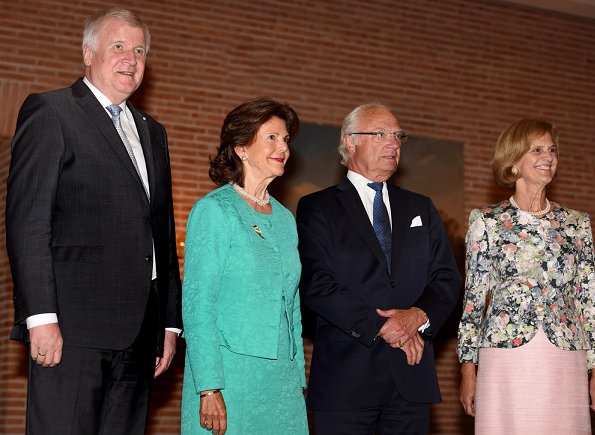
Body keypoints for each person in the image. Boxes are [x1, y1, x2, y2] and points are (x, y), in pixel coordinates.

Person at [6, 8, 182, 434]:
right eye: (118, 46)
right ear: (89, 54)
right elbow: (29, 221)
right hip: (72, 328)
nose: (131, 58)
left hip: (141, 332)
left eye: (139, 50)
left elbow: (160, 229)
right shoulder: (51, 112)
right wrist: (41, 317)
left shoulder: (152, 132)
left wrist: (169, 323)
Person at [296, 103, 461, 434]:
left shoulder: (421, 208)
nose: (394, 143)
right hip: (346, 380)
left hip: (410, 380)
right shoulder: (318, 207)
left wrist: (417, 316)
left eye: (398, 136)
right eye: (381, 134)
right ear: (351, 141)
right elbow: (317, 283)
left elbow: (446, 277)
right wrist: (383, 327)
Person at [457, 119, 595, 433]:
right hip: (505, 355)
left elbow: (589, 298)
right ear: (514, 161)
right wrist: (468, 368)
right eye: (537, 149)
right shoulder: (487, 221)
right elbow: (474, 300)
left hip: (567, 352)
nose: (548, 156)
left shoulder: (577, 223)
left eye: (552, 149)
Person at [180, 97, 308, 435]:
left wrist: (298, 377)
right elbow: (198, 304)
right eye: (271, 137)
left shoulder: (285, 218)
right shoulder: (215, 210)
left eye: (285, 140)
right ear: (241, 147)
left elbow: (291, 304)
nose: (283, 147)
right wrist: (208, 387)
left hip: (282, 380)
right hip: (230, 377)